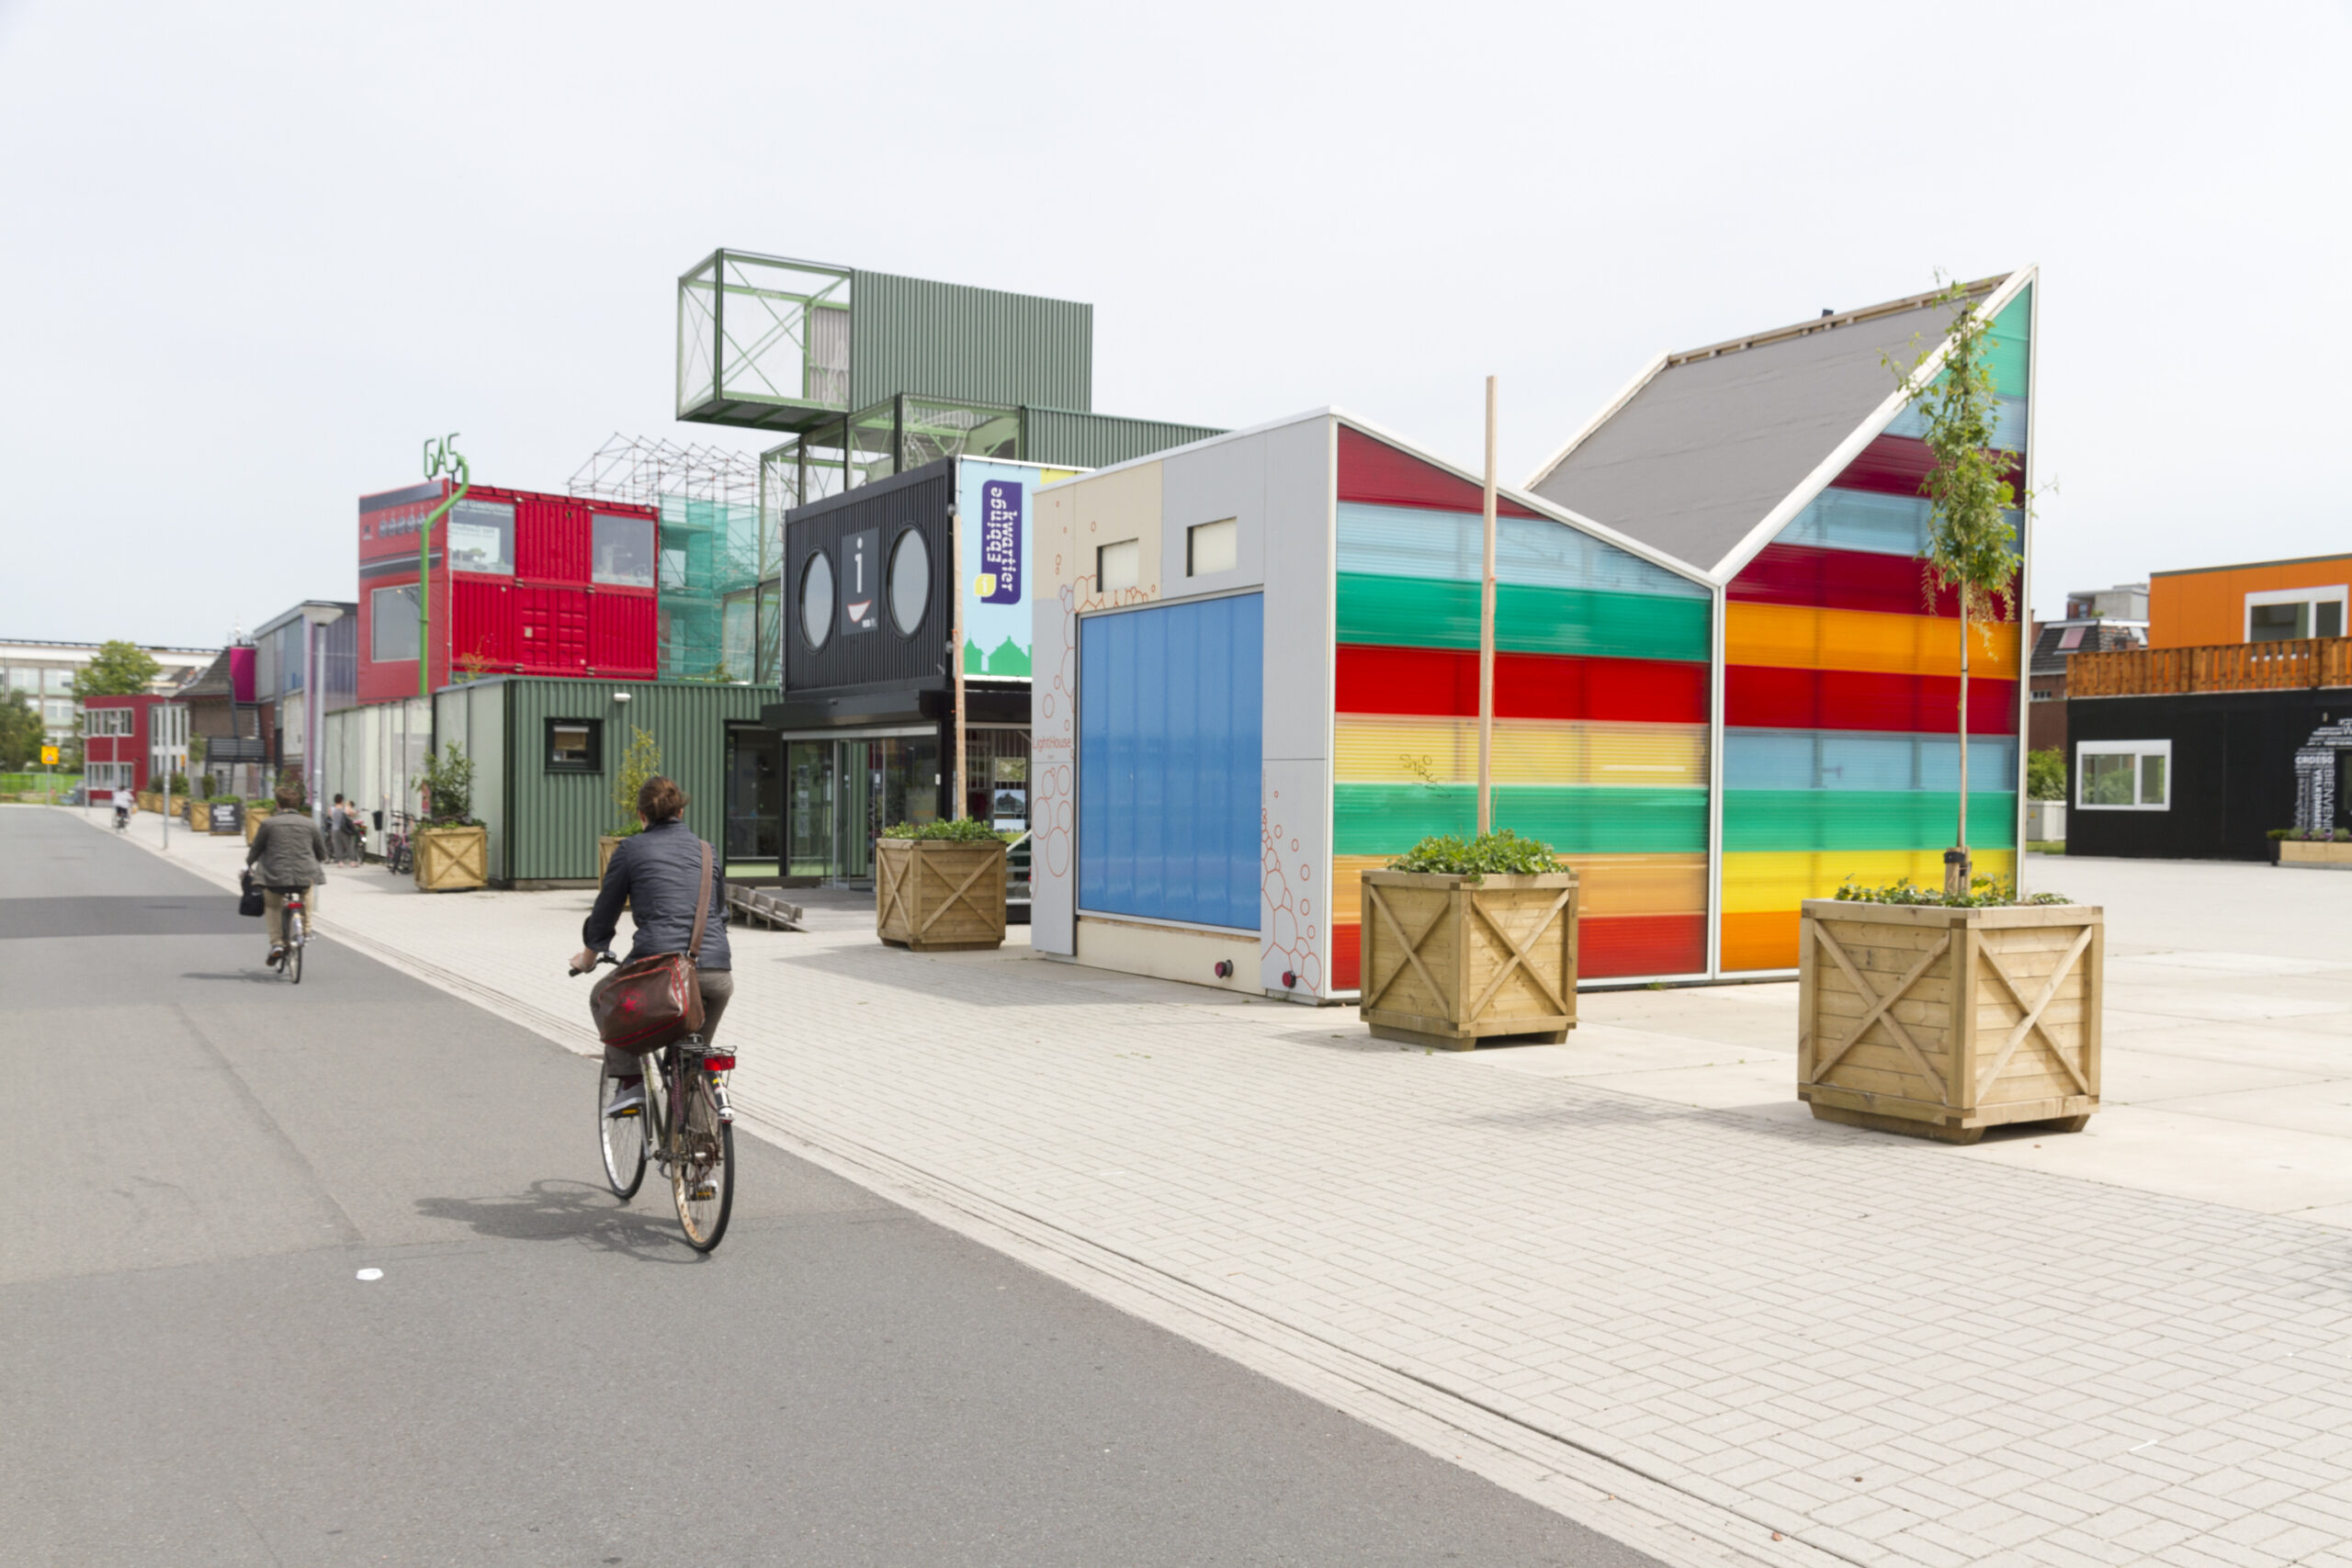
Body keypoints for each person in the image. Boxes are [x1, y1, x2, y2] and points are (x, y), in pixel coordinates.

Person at [572, 775, 732, 1116]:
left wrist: (589, 956)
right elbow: (720, 913)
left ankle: (630, 1085)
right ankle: (701, 1160)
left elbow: (605, 911)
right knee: (692, 1055)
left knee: (602, 997)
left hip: (661, 970)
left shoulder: (630, 849)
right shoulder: (707, 850)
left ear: (641, 815)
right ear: (681, 811)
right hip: (715, 973)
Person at [246, 781, 328, 966]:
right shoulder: (310, 824)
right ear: (296, 805)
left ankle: (276, 944)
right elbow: (322, 853)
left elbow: (256, 849)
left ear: (278, 804)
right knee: (307, 890)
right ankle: (306, 930)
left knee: (273, 905)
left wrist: (248, 864)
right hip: (304, 873)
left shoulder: (268, 824)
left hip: (275, 876)